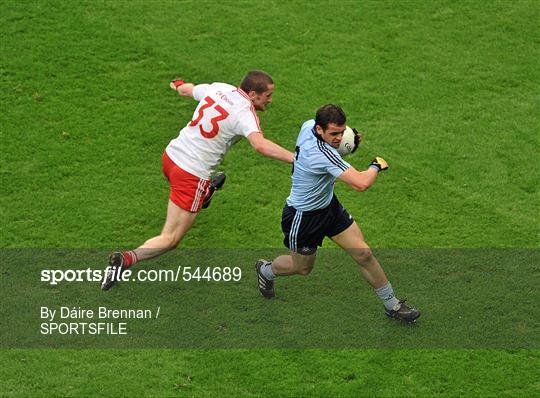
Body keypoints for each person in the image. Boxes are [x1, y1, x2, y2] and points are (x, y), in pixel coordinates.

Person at [102, 70, 294, 290]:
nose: (270, 100)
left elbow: (186, 89)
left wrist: (176, 84)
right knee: (171, 238)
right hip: (191, 175)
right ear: (252, 94)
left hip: (171, 157)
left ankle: (205, 192)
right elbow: (260, 145)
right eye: (267, 95)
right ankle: (125, 259)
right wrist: (296, 159)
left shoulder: (220, 88)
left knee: (190, 198)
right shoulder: (245, 113)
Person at [255, 104, 420, 323]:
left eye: (342, 133)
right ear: (320, 129)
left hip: (328, 207)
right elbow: (361, 183)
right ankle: (266, 270)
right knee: (302, 268)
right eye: (334, 134)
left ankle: (393, 305)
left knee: (364, 254)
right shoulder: (322, 155)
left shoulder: (307, 127)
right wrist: (376, 166)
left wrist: (349, 142)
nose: (339, 138)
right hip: (303, 217)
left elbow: (334, 150)